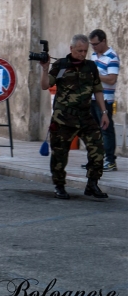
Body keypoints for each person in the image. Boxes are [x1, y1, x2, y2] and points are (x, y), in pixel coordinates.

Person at [40, 34, 110, 200]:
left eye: (85, 51)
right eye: (79, 50)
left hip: (85, 117)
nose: (82, 54)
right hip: (63, 118)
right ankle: (59, 186)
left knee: (98, 148)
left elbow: (98, 90)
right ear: (71, 49)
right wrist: (44, 68)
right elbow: (45, 85)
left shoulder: (91, 67)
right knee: (59, 154)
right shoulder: (61, 65)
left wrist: (104, 112)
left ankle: (92, 183)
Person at [88, 29, 120, 171]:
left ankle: (110, 161)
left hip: (105, 99)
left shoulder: (112, 57)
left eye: (95, 44)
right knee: (95, 131)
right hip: (92, 98)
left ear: (104, 41)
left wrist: (94, 75)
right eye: (91, 44)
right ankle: (96, 160)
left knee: (106, 130)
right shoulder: (94, 56)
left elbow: (112, 79)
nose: (93, 47)